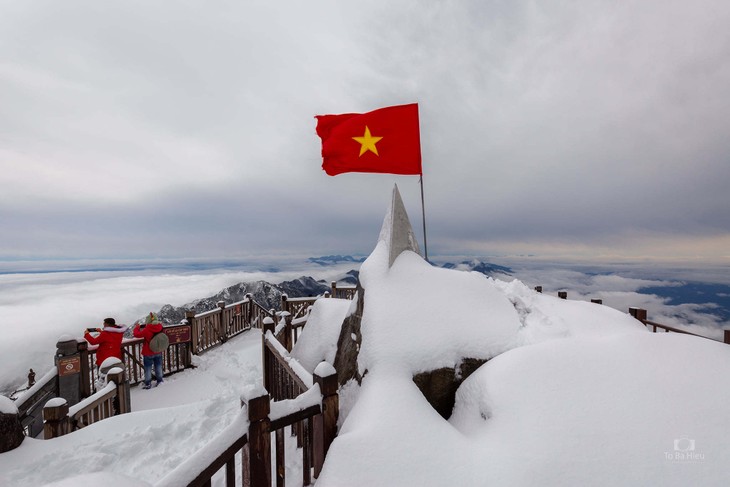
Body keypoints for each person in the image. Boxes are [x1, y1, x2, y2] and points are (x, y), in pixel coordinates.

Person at [133, 312, 164, 389]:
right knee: (158, 366)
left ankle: (148, 383)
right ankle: (160, 381)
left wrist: (137, 327)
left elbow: (137, 334)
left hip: (148, 351)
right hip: (158, 350)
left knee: (148, 369)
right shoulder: (160, 327)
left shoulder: (147, 330)